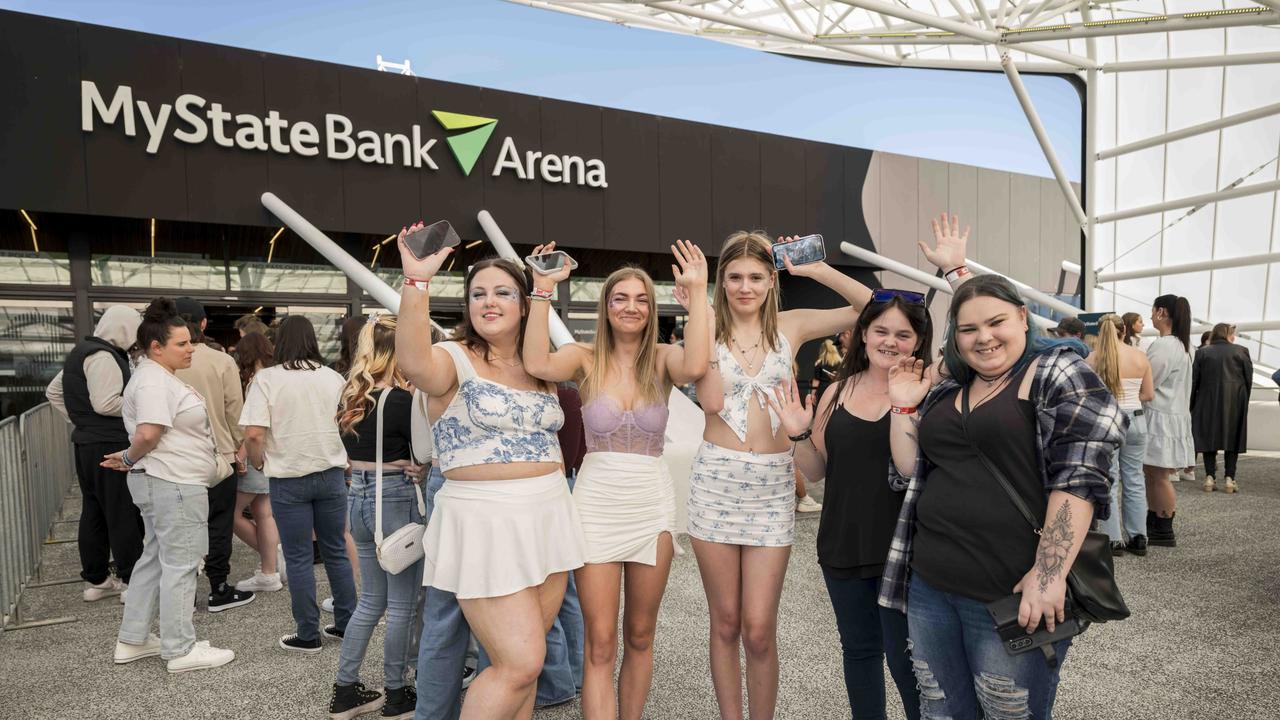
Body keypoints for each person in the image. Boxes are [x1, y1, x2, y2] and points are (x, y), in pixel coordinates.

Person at [882, 274, 1124, 720]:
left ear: (1023, 317)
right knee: (939, 711)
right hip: (930, 585)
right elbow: (910, 471)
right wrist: (902, 407)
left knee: (1008, 713)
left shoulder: (1055, 370)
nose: (983, 338)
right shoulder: (950, 386)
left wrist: (1048, 576)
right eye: (968, 329)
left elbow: (1080, 475)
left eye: (996, 323)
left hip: (1011, 592)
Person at [394, 222, 587, 720]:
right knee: (519, 664)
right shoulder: (452, 359)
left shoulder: (540, 365)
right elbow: (413, 363)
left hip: (547, 514)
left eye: (503, 291)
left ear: (523, 305)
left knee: (525, 658)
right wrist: (416, 282)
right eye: (478, 293)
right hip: (484, 521)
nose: (489, 301)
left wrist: (544, 288)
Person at [685, 228, 878, 720]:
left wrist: (814, 268)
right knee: (725, 624)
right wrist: (697, 313)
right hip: (716, 481)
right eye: (734, 277)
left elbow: (872, 308)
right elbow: (706, 398)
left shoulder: (790, 326)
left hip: (772, 484)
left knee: (758, 628)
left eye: (755, 276)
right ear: (722, 282)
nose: (744, 286)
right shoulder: (705, 327)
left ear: (772, 280)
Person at [522, 241, 710, 720]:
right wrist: (542, 290)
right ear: (606, 306)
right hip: (595, 507)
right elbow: (535, 364)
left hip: (651, 506)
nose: (631, 307)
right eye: (620, 298)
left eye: (641, 298)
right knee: (600, 642)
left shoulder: (667, 359)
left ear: (652, 308)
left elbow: (697, 365)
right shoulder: (583, 357)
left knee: (641, 636)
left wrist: (699, 293)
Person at [773, 291, 934, 720]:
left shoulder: (927, 392)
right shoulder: (836, 392)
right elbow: (817, 469)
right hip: (843, 543)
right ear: (862, 334)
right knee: (859, 653)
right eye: (880, 330)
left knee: (908, 663)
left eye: (903, 333)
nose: (890, 341)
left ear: (918, 341)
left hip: (904, 553)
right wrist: (797, 435)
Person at [106, 298, 236, 673]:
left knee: (154, 559)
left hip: (167, 480)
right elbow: (149, 432)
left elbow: (149, 434)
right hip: (174, 482)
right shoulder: (153, 380)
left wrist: (132, 456)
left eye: (189, 341)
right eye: (181, 343)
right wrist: (130, 457)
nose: (191, 348)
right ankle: (180, 648)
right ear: (156, 347)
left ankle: (134, 638)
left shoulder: (152, 377)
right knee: (181, 564)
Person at [328, 315, 426, 720]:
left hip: (358, 497)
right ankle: (397, 694)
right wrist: (417, 466)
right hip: (396, 499)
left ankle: (345, 689)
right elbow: (423, 454)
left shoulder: (351, 396)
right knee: (402, 605)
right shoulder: (403, 400)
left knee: (370, 600)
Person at [240, 315, 356, 653]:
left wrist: (258, 459)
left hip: (289, 478)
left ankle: (308, 633)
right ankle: (347, 623)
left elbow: (253, 432)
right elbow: (348, 422)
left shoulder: (267, 380)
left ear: (279, 343)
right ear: (313, 341)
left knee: (299, 556)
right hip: (332, 474)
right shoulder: (333, 377)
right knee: (335, 550)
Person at [45, 305, 144, 603]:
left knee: (94, 511)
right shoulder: (104, 356)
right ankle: (131, 580)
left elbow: (53, 391)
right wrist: (139, 404)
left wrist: (79, 420)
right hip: (109, 444)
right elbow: (105, 403)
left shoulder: (82, 351)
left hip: (86, 444)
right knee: (121, 511)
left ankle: (97, 579)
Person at [174, 297, 255, 613]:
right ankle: (219, 588)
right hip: (219, 454)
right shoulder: (222, 361)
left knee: (181, 526)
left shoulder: (161, 362)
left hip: (177, 457)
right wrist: (239, 446)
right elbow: (236, 410)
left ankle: (185, 594)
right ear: (203, 323)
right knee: (219, 523)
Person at [1087, 314, 1154, 556]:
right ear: (1124, 330)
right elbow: (1148, 394)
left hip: (1107, 423)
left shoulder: (1092, 359)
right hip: (1135, 420)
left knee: (1109, 480)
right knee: (1135, 478)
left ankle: (1112, 539)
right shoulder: (1139, 356)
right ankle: (1139, 537)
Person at [230, 332, 284, 592]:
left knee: (232, 513)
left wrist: (241, 457)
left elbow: (253, 430)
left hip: (255, 455)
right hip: (272, 454)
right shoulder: (277, 377)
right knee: (264, 512)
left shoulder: (258, 381)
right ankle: (270, 568)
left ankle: (270, 562)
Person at [1143, 294, 1195, 547]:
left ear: (1162, 312)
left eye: (1152, 311)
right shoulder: (1182, 345)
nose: (1150, 315)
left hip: (1159, 416)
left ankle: (1163, 528)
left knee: (1159, 475)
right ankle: (1155, 521)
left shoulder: (1164, 345)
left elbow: (1149, 379)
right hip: (1170, 414)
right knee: (1154, 474)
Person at [1192, 323, 1252, 494]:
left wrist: (1192, 404)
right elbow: (1248, 379)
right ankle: (1229, 478)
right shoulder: (1241, 351)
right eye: (1232, 334)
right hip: (1235, 400)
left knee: (1209, 437)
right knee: (1233, 439)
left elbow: (1194, 381)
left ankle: (1210, 477)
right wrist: (1244, 401)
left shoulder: (1202, 352)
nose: (1234, 337)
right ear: (1227, 334)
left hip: (1207, 400)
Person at [809, 338, 843, 404]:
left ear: (823, 350)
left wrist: (812, 394)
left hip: (823, 390)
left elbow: (816, 380)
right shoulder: (840, 362)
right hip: (836, 389)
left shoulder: (819, 363)